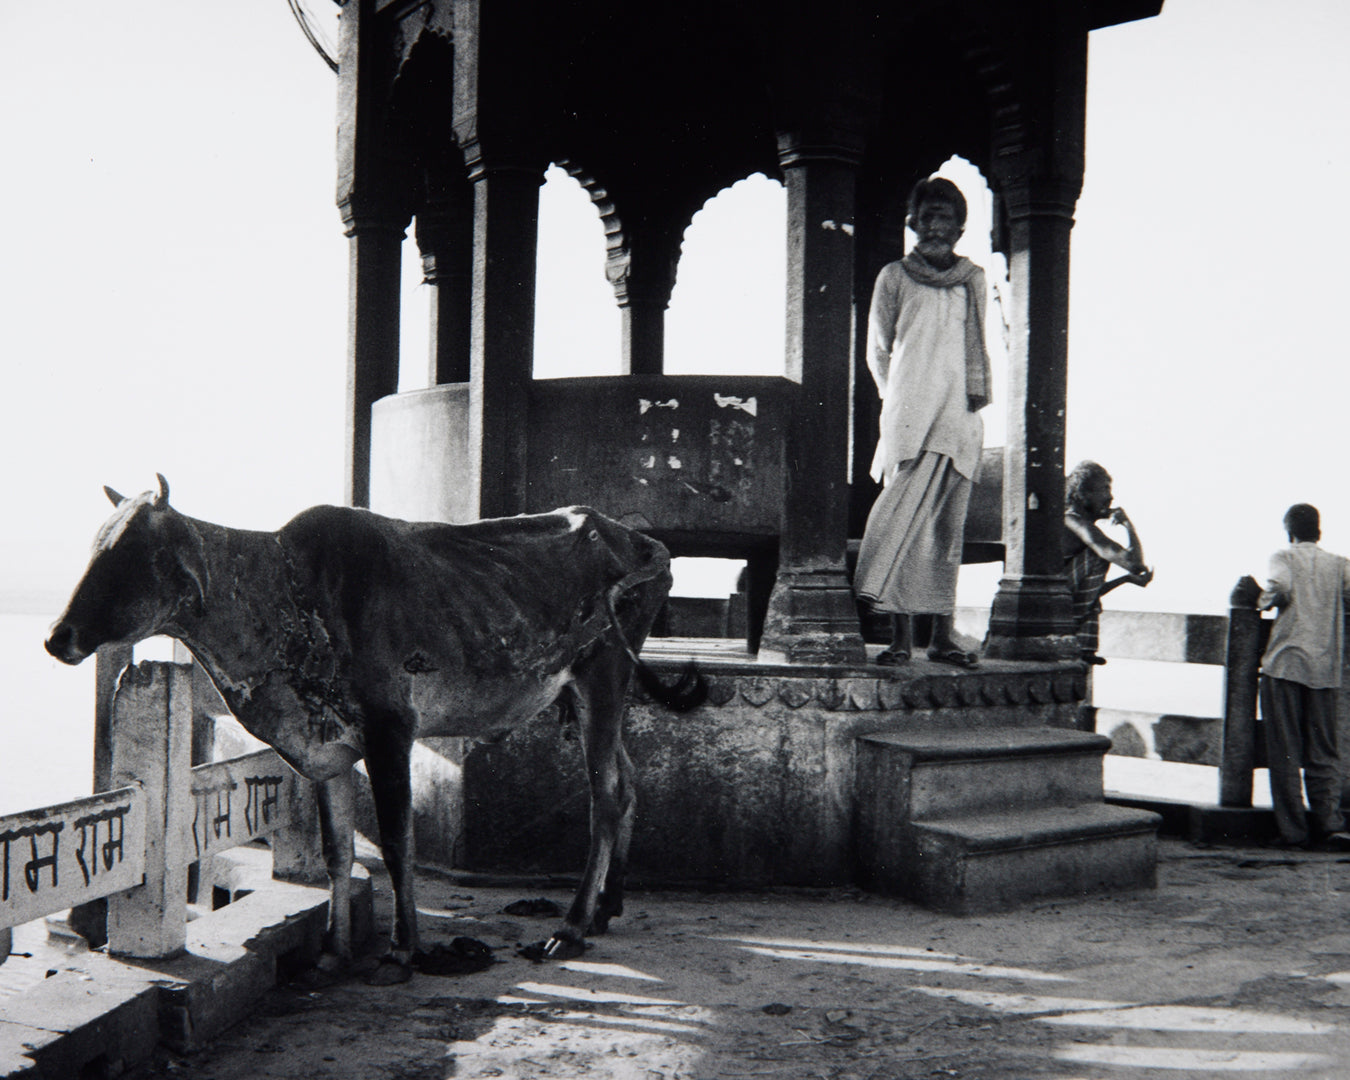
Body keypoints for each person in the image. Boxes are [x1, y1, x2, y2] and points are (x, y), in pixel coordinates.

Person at [854, 176, 991, 668]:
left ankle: (942, 639)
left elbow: (979, 343)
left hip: (958, 416)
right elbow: (878, 350)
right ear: (914, 223)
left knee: (944, 530)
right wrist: (901, 402)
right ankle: (898, 639)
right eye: (929, 217)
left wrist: (965, 402)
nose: (937, 227)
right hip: (909, 416)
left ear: (958, 227)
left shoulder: (972, 278)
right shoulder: (894, 276)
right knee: (901, 524)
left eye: (946, 219)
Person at [1256, 503, 1350, 851]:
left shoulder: (1283, 556)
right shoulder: (1339, 565)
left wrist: (1261, 600)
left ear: (1289, 531)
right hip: (1324, 669)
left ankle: (1293, 831)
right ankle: (1330, 825)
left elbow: (1278, 590)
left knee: (1284, 753)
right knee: (1324, 751)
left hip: (1284, 665)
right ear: (1319, 531)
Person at [1063, 461, 1153, 664]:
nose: (1110, 497)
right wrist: (1129, 525)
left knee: (1100, 556)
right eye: (1104, 489)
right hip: (1052, 610)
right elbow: (1134, 562)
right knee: (1100, 554)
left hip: (1060, 606)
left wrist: (1125, 580)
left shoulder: (1075, 523)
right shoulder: (1074, 521)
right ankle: (1081, 646)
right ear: (1083, 494)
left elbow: (1089, 591)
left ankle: (1083, 649)